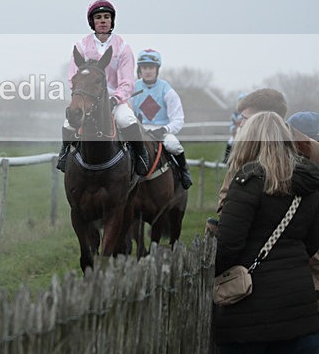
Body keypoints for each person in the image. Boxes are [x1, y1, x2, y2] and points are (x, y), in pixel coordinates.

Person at [212, 111, 319, 352]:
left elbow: (228, 246)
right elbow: (312, 243)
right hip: (301, 307)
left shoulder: (248, 181)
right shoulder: (310, 183)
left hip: (250, 314)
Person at [57, 0, 149, 175]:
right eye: (98, 17)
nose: (103, 20)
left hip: (115, 100)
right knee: (69, 123)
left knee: (127, 120)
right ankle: (63, 154)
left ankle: (141, 157)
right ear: (92, 22)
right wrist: (81, 98)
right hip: (88, 100)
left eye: (107, 17)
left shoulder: (122, 47)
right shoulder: (81, 46)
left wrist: (115, 99)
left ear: (112, 21)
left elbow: (127, 81)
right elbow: (73, 77)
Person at [131, 48, 192, 189]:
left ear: (157, 69)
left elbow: (178, 119)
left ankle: (184, 171)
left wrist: (164, 129)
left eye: (151, 67)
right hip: (139, 130)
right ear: (140, 69)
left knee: (173, 145)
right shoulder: (133, 88)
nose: (148, 71)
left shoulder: (167, 90)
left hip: (161, 130)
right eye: (144, 67)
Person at [222, 93, 247, 163]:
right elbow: (231, 124)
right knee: (230, 141)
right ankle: (226, 158)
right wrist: (233, 129)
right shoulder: (235, 114)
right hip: (236, 133)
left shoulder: (250, 113)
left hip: (246, 132)